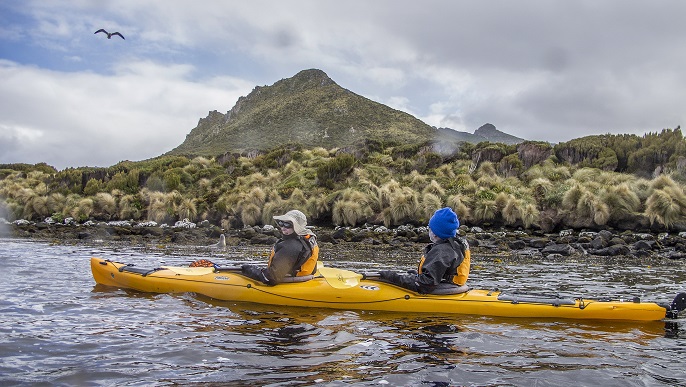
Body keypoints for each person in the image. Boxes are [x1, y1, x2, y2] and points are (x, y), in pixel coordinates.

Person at [378, 207, 470, 293]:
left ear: (436, 233)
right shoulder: (454, 245)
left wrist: (393, 277)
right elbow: (437, 273)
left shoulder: (442, 251)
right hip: (452, 286)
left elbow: (425, 283)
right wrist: (416, 275)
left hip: (443, 289)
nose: (429, 230)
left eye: (430, 228)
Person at [241, 210, 319, 285]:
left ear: (296, 227)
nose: (283, 227)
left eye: (288, 224)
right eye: (282, 223)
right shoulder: (306, 240)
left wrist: (252, 270)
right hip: (303, 279)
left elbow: (272, 277)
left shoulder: (290, 247)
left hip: (290, 282)